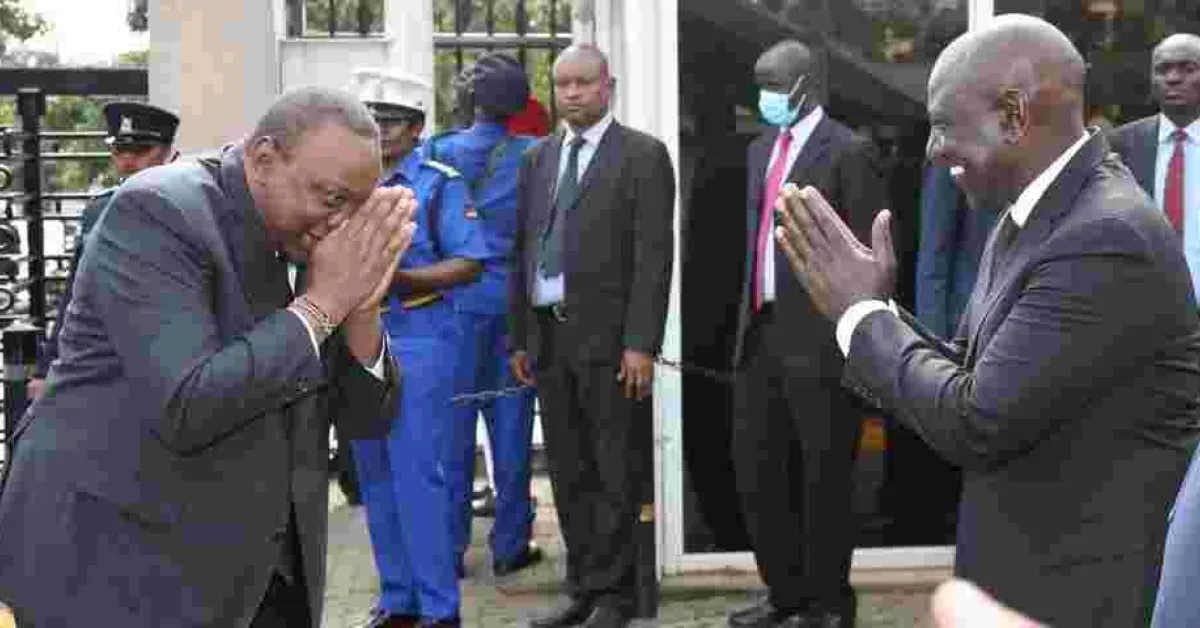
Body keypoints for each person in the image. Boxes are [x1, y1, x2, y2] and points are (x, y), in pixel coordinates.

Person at [775, 14, 1200, 626]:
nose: (931, 150)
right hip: (1024, 584)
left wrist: (861, 317)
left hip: (1083, 597)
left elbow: (977, 418)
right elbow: (976, 370)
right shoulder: (1030, 217)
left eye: (943, 126)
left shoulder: (1105, 236)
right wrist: (879, 312)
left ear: (1013, 115)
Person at [0, 86, 412, 627]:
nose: (342, 225)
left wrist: (361, 306)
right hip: (126, 565)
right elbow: (190, 404)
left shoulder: (311, 241)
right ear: (263, 159)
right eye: (332, 199)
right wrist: (325, 302)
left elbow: (367, 418)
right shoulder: (160, 212)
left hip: (262, 571)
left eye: (359, 209)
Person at [510, 44, 675, 628]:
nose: (572, 94)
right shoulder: (538, 159)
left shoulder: (643, 156)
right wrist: (521, 339)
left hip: (612, 346)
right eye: (562, 85)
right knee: (569, 470)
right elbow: (522, 250)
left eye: (583, 83)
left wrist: (640, 343)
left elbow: (655, 258)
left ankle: (616, 596)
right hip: (550, 342)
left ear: (610, 86)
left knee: (615, 470)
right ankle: (582, 587)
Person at [726, 39, 887, 628]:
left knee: (824, 478)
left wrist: (860, 341)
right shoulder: (760, 150)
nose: (763, 95)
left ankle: (827, 604)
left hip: (821, 341)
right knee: (759, 473)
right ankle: (785, 596)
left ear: (805, 83)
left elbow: (870, 255)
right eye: (758, 82)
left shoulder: (849, 151)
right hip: (761, 334)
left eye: (773, 83)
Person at [347, 69, 493, 628]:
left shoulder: (438, 182)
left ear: (415, 129)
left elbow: (470, 259)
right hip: (357, 336)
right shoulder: (349, 182)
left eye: (389, 122)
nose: (378, 132)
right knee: (374, 473)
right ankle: (399, 600)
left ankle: (439, 609)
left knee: (416, 474)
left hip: (418, 332)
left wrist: (403, 281)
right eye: (370, 121)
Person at [421, 52, 544, 578]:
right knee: (512, 427)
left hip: (450, 302)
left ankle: (448, 552)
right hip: (513, 304)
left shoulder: (437, 151)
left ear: (470, 98)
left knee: (449, 433)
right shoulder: (537, 154)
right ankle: (510, 545)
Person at [28, 101, 180, 400]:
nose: (126, 162)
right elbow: (76, 293)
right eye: (119, 151)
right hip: (102, 366)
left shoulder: (187, 212)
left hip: (168, 365)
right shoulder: (99, 211)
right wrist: (46, 369)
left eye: (140, 152)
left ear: (170, 154)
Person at [1109, 33, 1200, 300]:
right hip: (1142, 309)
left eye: (1188, 68)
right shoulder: (1120, 145)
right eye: (1163, 69)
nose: (1173, 78)